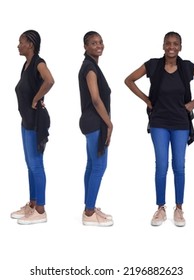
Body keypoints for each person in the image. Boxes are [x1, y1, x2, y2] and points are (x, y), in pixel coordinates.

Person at [125, 31, 194, 227]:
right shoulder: (153, 65)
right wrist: (147, 100)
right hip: (159, 122)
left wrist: (193, 104)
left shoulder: (188, 67)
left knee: (179, 166)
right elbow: (129, 80)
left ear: (180, 47)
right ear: (163, 46)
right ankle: (160, 208)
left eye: (175, 44)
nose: (171, 47)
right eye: (168, 43)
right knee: (161, 165)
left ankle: (179, 208)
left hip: (181, 123)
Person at [9, 30, 54, 225]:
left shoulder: (38, 62)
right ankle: (33, 203)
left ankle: (41, 210)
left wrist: (37, 98)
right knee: (30, 164)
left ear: (30, 44)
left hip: (36, 121)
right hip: (26, 121)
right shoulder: (26, 65)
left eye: (21, 42)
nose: (18, 45)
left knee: (36, 164)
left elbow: (50, 80)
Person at [78, 31, 113, 227]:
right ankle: (90, 213)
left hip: (90, 122)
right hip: (95, 123)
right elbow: (95, 99)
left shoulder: (91, 66)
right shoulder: (90, 68)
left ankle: (88, 207)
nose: (98, 45)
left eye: (100, 42)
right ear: (85, 47)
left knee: (92, 165)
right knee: (99, 166)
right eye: (93, 43)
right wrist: (109, 123)